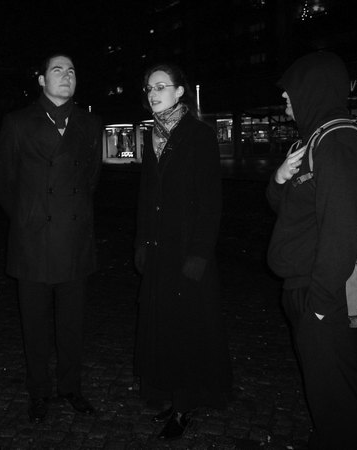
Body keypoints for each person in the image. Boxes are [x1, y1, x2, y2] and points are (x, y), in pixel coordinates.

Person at [267, 51, 357, 449]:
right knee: (325, 387)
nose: (285, 98)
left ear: (312, 89)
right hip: (309, 284)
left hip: (327, 293)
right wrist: (280, 178)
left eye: (290, 90)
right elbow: (285, 208)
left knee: (335, 393)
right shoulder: (313, 139)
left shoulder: (337, 141)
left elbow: (340, 231)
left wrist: (319, 305)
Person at [0, 53, 102, 422]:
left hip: (74, 240)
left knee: (72, 325)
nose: (66, 75)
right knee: (34, 327)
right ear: (41, 79)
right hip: (33, 242)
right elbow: (3, 180)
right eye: (57, 70)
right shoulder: (18, 122)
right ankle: (38, 391)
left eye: (71, 70)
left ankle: (71, 387)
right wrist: (28, 217)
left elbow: (90, 178)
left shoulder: (89, 122)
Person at [134, 62, 232, 441]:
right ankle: (170, 394)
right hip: (159, 249)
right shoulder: (152, 135)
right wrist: (141, 242)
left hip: (188, 250)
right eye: (149, 88)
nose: (153, 93)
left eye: (161, 86)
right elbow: (146, 196)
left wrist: (199, 254)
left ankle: (186, 403)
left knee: (189, 327)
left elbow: (211, 202)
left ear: (179, 92)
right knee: (164, 326)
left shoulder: (199, 135)